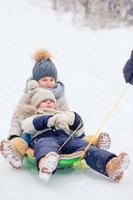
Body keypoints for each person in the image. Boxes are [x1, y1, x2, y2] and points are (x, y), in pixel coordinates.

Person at [1, 84, 129, 183]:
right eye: (45, 101)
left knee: (86, 148)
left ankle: (111, 165)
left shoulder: (61, 115)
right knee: (46, 146)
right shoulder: (33, 116)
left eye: (51, 101)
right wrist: (49, 120)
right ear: (36, 105)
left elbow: (78, 130)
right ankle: (46, 164)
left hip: (66, 138)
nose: (49, 102)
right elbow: (27, 125)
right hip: (43, 138)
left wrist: (71, 118)